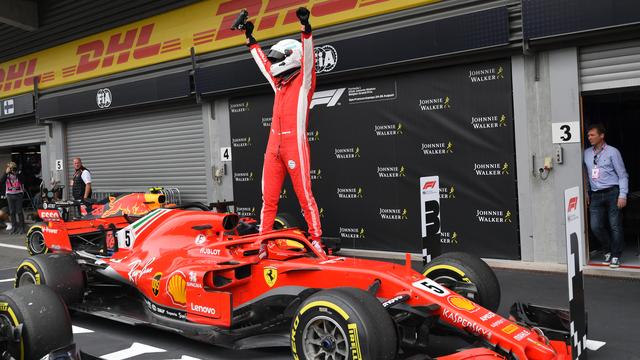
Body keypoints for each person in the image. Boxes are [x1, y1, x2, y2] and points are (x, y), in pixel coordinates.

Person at [242, 7, 323, 252]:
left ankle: (317, 241)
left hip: (294, 147)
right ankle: (263, 244)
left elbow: (308, 57)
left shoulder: (304, 83)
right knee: (269, 200)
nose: (275, 63)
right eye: (276, 59)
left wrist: (305, 30)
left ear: (292, 57)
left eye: (280, 58)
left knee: (305, 196)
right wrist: (251, 41)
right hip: (273, 149)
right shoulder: (278, 85)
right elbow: (264, 64)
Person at [584, 123, 628, 268]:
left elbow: (622, 175)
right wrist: (586, 191)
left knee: (615, 225)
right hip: (596, 195)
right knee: (595, 226)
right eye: (588, 135)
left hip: (612, 193)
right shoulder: (587, 153)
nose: (589, 137)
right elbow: (585, 174)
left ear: (601, 136)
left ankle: (616, 255)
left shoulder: (612, 152)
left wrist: (622, 195)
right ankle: (607, 249)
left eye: (592, 135)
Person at [1, 162, 26, 234]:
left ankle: (22, 228)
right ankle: (14, 228)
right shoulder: (7, 174)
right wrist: (6, 173)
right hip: (9, 194)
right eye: (10, 168)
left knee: (19, 212)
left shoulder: (18, 173)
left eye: (12, 168)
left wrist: (17, 173)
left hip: (18, 194)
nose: (12, 169)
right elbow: (1, 181)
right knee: (12, 212)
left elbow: (23, 181)